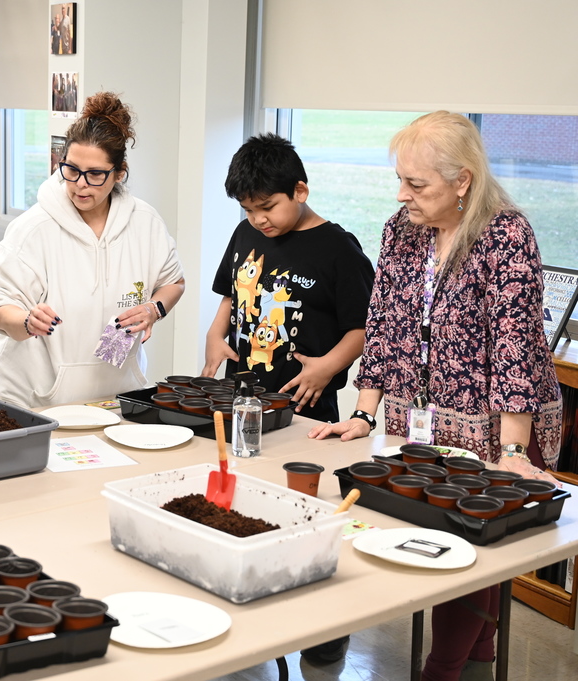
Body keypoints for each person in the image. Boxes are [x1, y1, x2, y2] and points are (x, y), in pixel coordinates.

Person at [308, 111, 563, 681]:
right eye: (400, 180)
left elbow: (515, 345)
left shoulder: (506, 235)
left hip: (499, 421)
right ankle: (475, 660)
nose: (403, 195)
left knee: (474, 546)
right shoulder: (402, 228)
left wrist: (515, 452)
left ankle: (444, 669)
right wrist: (362, 412)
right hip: (418, 420)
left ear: (463, 181)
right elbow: (386, 322)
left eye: (417, 184)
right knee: (446, 544)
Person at [0, 92, 185, 408]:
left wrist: (153, 310)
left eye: (95, 174)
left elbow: (173, 282)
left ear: (119, 173)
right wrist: (26, 321)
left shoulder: (144, 223)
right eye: (72, 170)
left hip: (117, 398)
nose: (80, 184)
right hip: (37, 402)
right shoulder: (34, 228)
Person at [201, 133, 375, 423]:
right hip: (242, 401)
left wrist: (327, 367)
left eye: (267, 207)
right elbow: (232, 293)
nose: (258, 219)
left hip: (305, 409)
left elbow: (364, 328)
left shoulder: (339, 250)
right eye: (248, 209)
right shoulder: (245, 233)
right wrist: (214, 334)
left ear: (300, 191)